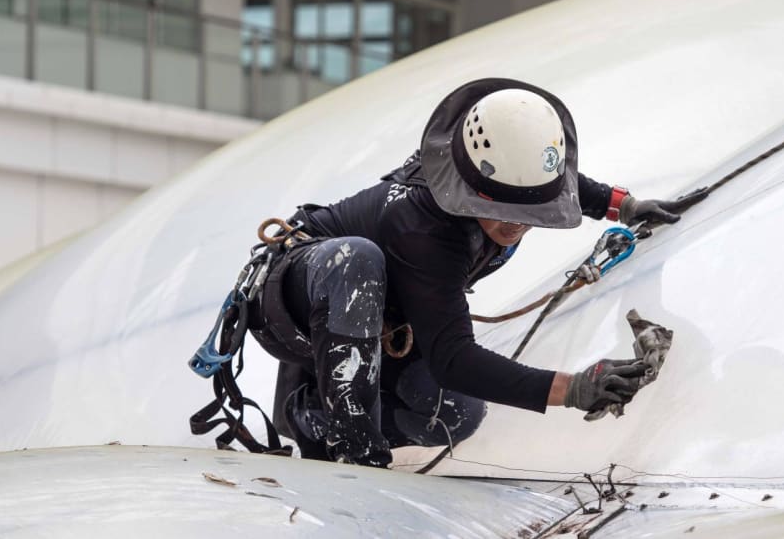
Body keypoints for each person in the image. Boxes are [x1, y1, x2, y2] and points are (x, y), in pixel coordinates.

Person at [251, 78, 696, 468]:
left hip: (383, 322)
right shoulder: (422, 225)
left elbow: (552, 179)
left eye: (530, 212)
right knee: (358, 260)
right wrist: (574, 388)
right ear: (468, 191)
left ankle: (316, 410)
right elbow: (455, 361)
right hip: (297, 297)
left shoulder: (514, 180)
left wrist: (625, 206)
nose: (515, 224)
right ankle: (352, 446)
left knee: (457, 414)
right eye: (499, 210)